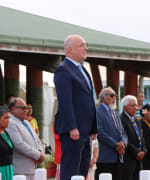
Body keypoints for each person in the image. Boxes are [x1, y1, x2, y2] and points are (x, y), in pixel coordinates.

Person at [54, 35, 97, 180]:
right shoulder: (64, 70)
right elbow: (65, 102)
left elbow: (89, 101)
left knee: (82, 169)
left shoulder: (82, 70)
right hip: (74, 130)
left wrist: (93, 128)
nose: (85, 48)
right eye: (81, 45)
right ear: (69, 49)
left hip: (85, 130)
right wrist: (72, 127)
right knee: (71, 169)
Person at [6, 98, 44, 180]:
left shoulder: (26, 122)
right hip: (20, 169)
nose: (25, 110)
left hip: (32, 166)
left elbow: (37, 140)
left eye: (26, 108)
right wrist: (37, 155)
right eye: (22, 108)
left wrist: (41, 152)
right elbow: (19, 144)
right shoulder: (10, 123)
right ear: (13, 109)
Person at [95, 87, 126, 180]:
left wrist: (123, 143)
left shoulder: (115, 113)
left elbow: (123, 132)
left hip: (118, 157)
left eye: (115, 96)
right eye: (112, 95)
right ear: (103, 97)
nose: (115, 98)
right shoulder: (98, 112)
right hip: (105, 157)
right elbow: (100, 132)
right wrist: (116, 145)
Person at [120, 95, 146, 180]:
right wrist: (136, 152)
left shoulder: (136, 120)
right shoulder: (121, 119)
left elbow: (141, 137)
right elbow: (125, 138)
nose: (135, 108)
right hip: (128, 159)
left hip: (139, 160)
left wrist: (143, 150)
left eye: (136, 105)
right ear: (124, 108)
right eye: (132, 105)